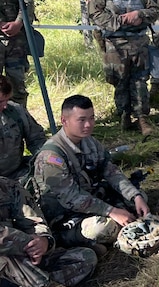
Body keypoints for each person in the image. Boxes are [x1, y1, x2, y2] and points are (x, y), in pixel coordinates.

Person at [29, 95, 152, 252]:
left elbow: (111, 172)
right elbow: (71, 198)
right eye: (81, 120)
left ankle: (129, 222)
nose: (88, 124)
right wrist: (111, 211)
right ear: (64, 121)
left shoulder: (89, 142)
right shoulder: (51, 157)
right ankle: (68, 239)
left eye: (92, 118)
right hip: (64, 215)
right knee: (103, 228)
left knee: (140, 199)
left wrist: (135, 196)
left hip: (91, 200)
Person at [0, 175, 97, 287]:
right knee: (5, 249)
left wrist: (43, 241)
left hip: (21, 268)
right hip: (8, 262)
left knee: (85, 257)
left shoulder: (8, 187)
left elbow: (33, 220)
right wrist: (27, 242)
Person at [88, 0, 159, 136]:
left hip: (139, 42)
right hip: (115, 43)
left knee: (140, 81)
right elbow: (96, 15)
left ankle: (142, 117)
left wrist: (140, 14)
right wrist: (122, 20)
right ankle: (124, 116)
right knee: (119, 81)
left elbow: (155, 10)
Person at [0, 0, 36, 107]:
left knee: (17, 87)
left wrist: (19, 22)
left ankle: (19, 123)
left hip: (16, 41)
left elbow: (27, 1)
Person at [0, 75, 46, 180]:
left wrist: (43, 160)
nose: (5, 106)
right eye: (0, 102)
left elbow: (37, 139)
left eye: (7, 100)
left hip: (17, 174)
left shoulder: (16, 112)